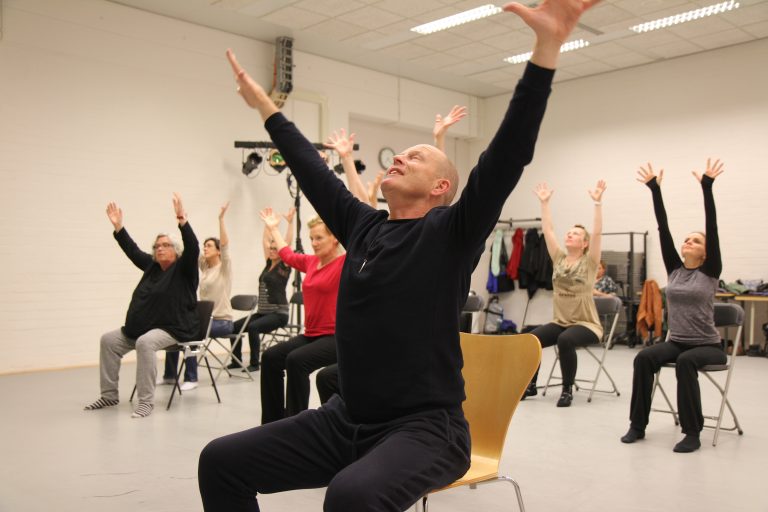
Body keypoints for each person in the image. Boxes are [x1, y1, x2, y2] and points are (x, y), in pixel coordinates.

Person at [200, 2, 600, 510]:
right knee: (220, 461)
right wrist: (267, 109)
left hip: (428, 430)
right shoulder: (365, 227)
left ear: (440, 187)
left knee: (350, 496)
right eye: (401, 153)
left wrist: (546, 50)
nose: (400, 157)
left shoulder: (451, 231)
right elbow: (312, 170)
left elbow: (508, 154)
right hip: (347, 419)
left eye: (416, 156)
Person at [315, 108, 470, 405]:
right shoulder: (376, 226)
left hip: (416, 382)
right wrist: (346, 159)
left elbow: (438, 197)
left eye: (412, 158)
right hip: (373, 363)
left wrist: (439, 141)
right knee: (331, 379)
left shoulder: (441, 236)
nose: (399, 161)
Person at [621, 158, 726, 453]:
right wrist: (655, 189)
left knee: (685, 362)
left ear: (706, 252)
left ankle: (692, 432)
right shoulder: (675, 270)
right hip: (677, 341)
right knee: (644, 358)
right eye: (687, 239)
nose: (688, 242)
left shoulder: (710, 270)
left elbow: (712, 226)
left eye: (696, 240)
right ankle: (637, 425)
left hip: (707, 346)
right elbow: (662, 227)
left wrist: (706, 187)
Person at [85, 194, 199, 418]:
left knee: (145, 343)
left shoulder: (184, 269)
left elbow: (193, 246)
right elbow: (132, 250)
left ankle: (145, 402)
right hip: (141, 327)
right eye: (157, 246)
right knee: (109, 341)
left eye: (165, 245)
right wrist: (119, 228)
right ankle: (109, 395)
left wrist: (182, 221)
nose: (159, 249)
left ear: (176, 250)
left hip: (172, 328)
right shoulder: (151, 266)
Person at [524, 180, 606, 407]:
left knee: (565, 339)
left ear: (585, 243)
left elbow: (598, 232)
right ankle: (530, 384)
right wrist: (545, 203)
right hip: (561, 321)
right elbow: (548, 230)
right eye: (568, 233)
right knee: (530, 338)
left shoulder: (590, 262)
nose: (569, 235)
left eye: (576, 234)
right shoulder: (559, 258)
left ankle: (567, 389)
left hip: (586, 324)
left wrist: (597, 203)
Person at [259, 209, 345, 424]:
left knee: (297, 361)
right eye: (311, 239)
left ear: (334, 238)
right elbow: (287, 254)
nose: (314, 243)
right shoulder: (311, 262)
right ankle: (272, 423)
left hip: (336, 337)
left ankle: (294, 424)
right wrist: (272, 229)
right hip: (312, 334)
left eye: (319, 238)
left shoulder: (345, 263)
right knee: (270, 358)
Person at [161, 202, 234, 390]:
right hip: (205, 319)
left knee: (189, 332)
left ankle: (191, 378)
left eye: (209, 246)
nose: (205, 248)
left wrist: (221, 219)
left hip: (222, 321)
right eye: (205, 246)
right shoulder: (205, 267)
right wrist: (182, 221)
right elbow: (190, 248)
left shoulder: (223, 268)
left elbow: (225, 245)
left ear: (218, 251)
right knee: (175, 329)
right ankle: (170, 375)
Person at [228, 207, 295, 372]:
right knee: (233, 327)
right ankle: (236, 360)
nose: (272, 250)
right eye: (271, 248)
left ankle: (254, 363)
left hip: (279, 314)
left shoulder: (284, 266)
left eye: (275, 248)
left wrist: (290, 223)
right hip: (263, 312)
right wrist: (268, 225)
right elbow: (264, 241)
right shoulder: (268, 264)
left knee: (253, 327)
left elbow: (287, 243)